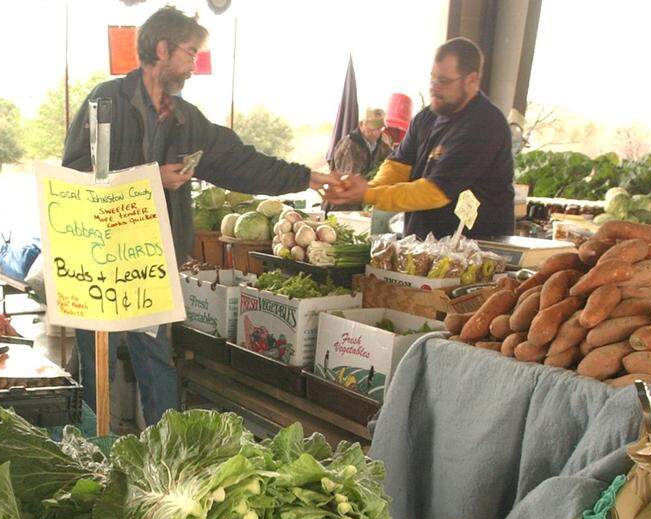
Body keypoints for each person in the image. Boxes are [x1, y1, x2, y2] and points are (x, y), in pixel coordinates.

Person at [62, 5, 336, 426]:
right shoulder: (105, 101)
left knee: (156, 360)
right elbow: (75, 175)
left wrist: (307, 176)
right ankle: (89, 454)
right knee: (95, 361)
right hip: (96, 260)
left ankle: (168, 455)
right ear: (162, 48)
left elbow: (240, 162)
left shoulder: (186, 120)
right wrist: (152, 178)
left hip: (149, 264)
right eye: (190, 53)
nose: (194, 64)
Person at [324, 38, 514, 239]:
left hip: (476, 248)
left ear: (471, 80)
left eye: (444, 81)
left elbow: (435, 192)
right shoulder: (427, 117)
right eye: (432, 79)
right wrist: (368, 186)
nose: (434, 87)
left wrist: (368, 194)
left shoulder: (483, 124)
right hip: (425, 244)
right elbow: (397, 166)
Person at [327, 108, 392, 211]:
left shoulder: (383, 146)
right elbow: (349, 182)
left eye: (379, 128)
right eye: (372, 128)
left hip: (364, 204)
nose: (375, 133)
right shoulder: (350, 146)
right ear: (362, 124)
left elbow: (391, 166)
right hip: (343, 206)